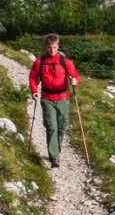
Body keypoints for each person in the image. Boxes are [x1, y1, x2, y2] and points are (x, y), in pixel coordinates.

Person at [28, 33, 80, 167]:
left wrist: (74, 80)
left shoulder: (65, 61)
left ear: (58, 46)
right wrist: (34, 91)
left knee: (62, 127)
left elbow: (74, 75)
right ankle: (54, 157)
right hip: (47, 98)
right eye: (50, 48)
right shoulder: (40, 62)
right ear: (46, 47)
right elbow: (33, 78)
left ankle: (56, 150)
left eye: (55, 47)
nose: (52, 50)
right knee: (51, 127)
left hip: (63, 98)